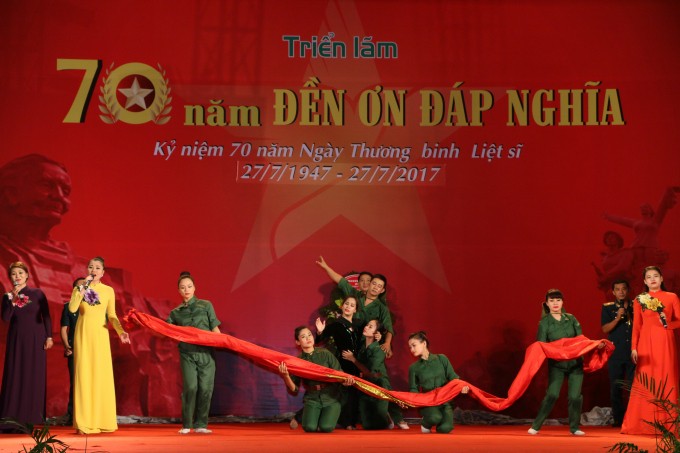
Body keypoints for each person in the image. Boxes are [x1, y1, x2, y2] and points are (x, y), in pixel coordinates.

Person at [68, 257, 130, 434]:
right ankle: (83, 423)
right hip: (83, 334)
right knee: (84, 376)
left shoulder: (109, 290)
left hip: (101, 336)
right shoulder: (80, 288)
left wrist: (120, 331)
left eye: (97, 268)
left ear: (103, 272)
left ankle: (102, 420)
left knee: (100, 376)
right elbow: (72, 309)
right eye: (90, 267)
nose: (93, 270)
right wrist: (82, 288)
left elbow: (112, 315)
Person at [528, 289, 598, 436]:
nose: (555, 303)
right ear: (547, 303)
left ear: (562, 302)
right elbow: (540, 345)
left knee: (575, 396)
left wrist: (596, 344)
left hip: (575, 364)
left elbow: (581, 340)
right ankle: (536, 425)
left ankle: (574, 427)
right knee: (552, 394)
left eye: (558, 300)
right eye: (552, 301)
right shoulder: (544, 323)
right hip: (557, 365)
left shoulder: (571, 319)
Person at [621, 266, 680, 435]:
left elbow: (679, 321)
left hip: (665, 342)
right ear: (645, 281)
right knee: (645, 380)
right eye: (649, 277)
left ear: (661, 278)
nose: (653, 279)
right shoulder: (639, 299)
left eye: (656, 276)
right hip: (646, 344)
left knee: (666, 377)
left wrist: (668, 323)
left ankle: (668, 423)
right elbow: (637, 327)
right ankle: (642, 424)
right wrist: (634, 347)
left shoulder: (671, 297)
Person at [166, 272, 221, 435]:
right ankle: (187, 424)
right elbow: (166, 330)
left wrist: (224, 341)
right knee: (191, 387)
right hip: (187, 353)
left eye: (189, 286)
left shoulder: (206, 305)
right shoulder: (175, 313)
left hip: (206, 353)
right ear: (179, 291)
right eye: (182, 287)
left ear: (194, 288)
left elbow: (215, 328)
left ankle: (201, 424)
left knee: (205, 388)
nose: (186, 290)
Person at [0, 262, 53, 430]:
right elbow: (6, 318)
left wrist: (49, 336)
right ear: (10, 278)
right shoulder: (7, 297)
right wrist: (13, 300)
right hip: (17, 340)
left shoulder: (38, 293)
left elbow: (46, 316)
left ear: (27, 275)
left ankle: (31, 417)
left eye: (20, 273)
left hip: (37, 339)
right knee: (16, 373)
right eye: (14, 274)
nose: (17, 276)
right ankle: (12, 418)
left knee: (34, 375)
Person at [278, 326, 355, 433]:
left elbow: (339, 374)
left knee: (326, 428)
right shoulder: (297, 361)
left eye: (309, 335)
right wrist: (286, 376)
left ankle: (327, 416)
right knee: (309, 428)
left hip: (331, 397)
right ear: (298, 342)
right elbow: (294, 389)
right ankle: (313, 416)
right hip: (312, 398)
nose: (308, 338)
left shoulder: (325, 353)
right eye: (303, 337)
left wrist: (346, 382)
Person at [316, 256, 394, 357]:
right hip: (347, 340)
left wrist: (387, 344)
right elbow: (340, 280)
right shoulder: (355, 294)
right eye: (374, 283)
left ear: (382, 290)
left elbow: (389, 328)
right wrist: (326, 267)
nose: (375, 287)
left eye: (379, 286)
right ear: (370, 284)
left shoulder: (382, 308)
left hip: (365, 345)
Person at [343, 319, 409, 430]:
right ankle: (386, 413)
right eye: (367, 324)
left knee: (381, 426)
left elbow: (370, 373)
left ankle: (392, 416)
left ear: (376, 333)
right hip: (365, 385)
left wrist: (353, 359)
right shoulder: (362, 346)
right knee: (368, 426)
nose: (366, 327)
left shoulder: (379, 349)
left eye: (370, 326)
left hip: (379, 384)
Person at [408, 331, 469, 434]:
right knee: (435, 417)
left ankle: (440, 423)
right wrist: (410, 400)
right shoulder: (414, 368)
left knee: (446, 429)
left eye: (414, 345)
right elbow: (413, 389)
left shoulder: (441, 359)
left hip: (445, 401)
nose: (411, 350)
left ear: (424, 343)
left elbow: (453, 378)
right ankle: (425, 423)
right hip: (428, 402)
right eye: (410, 347)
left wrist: (462, 386)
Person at [315, 296, 362, 429]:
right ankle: (342, 421)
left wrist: (378, 336)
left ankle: (352, 422)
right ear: (342, 306)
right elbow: (319, 339)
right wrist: (319, 331)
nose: (348, 306)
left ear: (355, 309)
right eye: (346, 304)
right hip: (344, 362)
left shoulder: (358, 325)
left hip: (357, 363)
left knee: (354, 394)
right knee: (343, 392)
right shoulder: (336, 324)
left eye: (352, 305)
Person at [600, 279, 635, 427]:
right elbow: (605, 329)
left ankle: (633, 418)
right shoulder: (607, 308)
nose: (621, 292)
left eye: (623, 289)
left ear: (628, 291)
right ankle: (618, 419)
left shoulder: (636, 307)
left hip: (633, 353)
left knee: (634, 387)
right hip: (616, 353)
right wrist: (617, 318)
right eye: (617, 289)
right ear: (613, 292)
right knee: (616, 387)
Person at [60, 277, 85, 425]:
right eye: (79, 286)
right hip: (74, 348)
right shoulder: (69, 306)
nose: (82, 288)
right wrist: (67, 346)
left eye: (84, 286)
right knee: (75, 383)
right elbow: (64, 329)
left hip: (89, 348)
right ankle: (72, 415)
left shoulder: (93, 305)